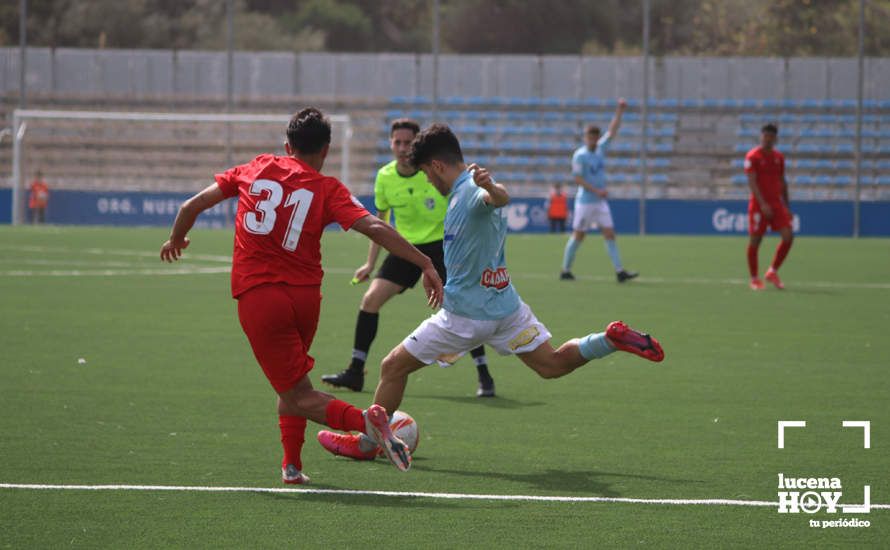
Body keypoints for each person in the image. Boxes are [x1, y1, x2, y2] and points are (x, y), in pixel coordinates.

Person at [317, 124, 663, 462]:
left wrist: (493, 188)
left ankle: (365, 444)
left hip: (466, 317)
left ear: (436, 166)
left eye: (425, 173)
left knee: (392, 367)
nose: (428, 181)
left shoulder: (469, 191)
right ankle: (609, 339)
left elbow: (496, 198)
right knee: (552, 364)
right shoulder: (464, 189)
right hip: (507, 308)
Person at [159, 108, 444, 479]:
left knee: (297, 393)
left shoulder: (254, 168)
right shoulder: (328, 189)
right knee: (292, 385)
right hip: (306, 299)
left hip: (261, 298)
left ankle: (367, 422)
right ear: (326, 151)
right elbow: (374, 226)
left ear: (286, 145)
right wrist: (424, 262)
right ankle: (291, 466)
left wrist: (177, 238)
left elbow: (190, 205)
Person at [321, 118, 495, 398]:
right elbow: (381, 221)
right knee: (370, 301)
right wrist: (370, 263)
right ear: (390, 144)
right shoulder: (384, 176)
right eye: (397, 142)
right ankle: (355, 371)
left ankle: (484, 375)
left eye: (408, 143)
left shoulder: (433, 172)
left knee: (461, 305)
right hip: (405, 249)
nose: (402, 148)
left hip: (442, 248)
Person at [560, 98, 638, 283]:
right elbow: (577, 178)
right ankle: (565, 270)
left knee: (610, 233)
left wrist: (619, 111)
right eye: (590, 136)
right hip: (586, 202)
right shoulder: (580, 155)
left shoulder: (600, 149)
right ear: (585, 137)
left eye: (595, 136)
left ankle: (620, 271)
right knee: (579, 236)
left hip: (600, 201)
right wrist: (597, 190)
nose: (593, 140)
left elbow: (612, 131)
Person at [745, 123, 793, 290]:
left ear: (775, 139)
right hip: (759, 205)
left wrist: (787, 206)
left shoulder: (779, 157)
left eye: (771, 137)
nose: (768, 139)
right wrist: (763, 204)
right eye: (765, 136)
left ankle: (772, 271)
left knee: (788, 236)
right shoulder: (752, 156)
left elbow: (782, 181)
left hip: (776, 203)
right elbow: (752, 182)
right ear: (761, 136)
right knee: (756, 240)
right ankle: (754, 278)